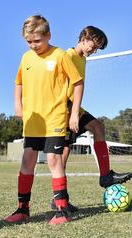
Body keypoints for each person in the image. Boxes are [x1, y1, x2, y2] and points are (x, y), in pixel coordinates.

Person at [5, 14, 84, 225]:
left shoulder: (59, 55)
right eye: (29, 41)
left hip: (55, 117)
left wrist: (74, 112)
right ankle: (23, 209)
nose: (33, 46)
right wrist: (18, 104)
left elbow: (77, 82)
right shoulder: (26, 58)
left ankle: (62, 210)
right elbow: (18, 82)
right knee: (27, 160)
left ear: (48, 35)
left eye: (37, 41)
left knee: (53, 160)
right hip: (33, 119)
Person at [57, 26, 132, 212]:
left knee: (98, 127)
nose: (95, 50)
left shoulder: (82, 59)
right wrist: (71, 113)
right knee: (64, 153)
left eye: (98, 48)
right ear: (84, 38)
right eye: (94, 45)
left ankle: (105, 176)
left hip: (74, 107)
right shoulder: (68, 56)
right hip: (63, 108)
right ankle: (60, 199)